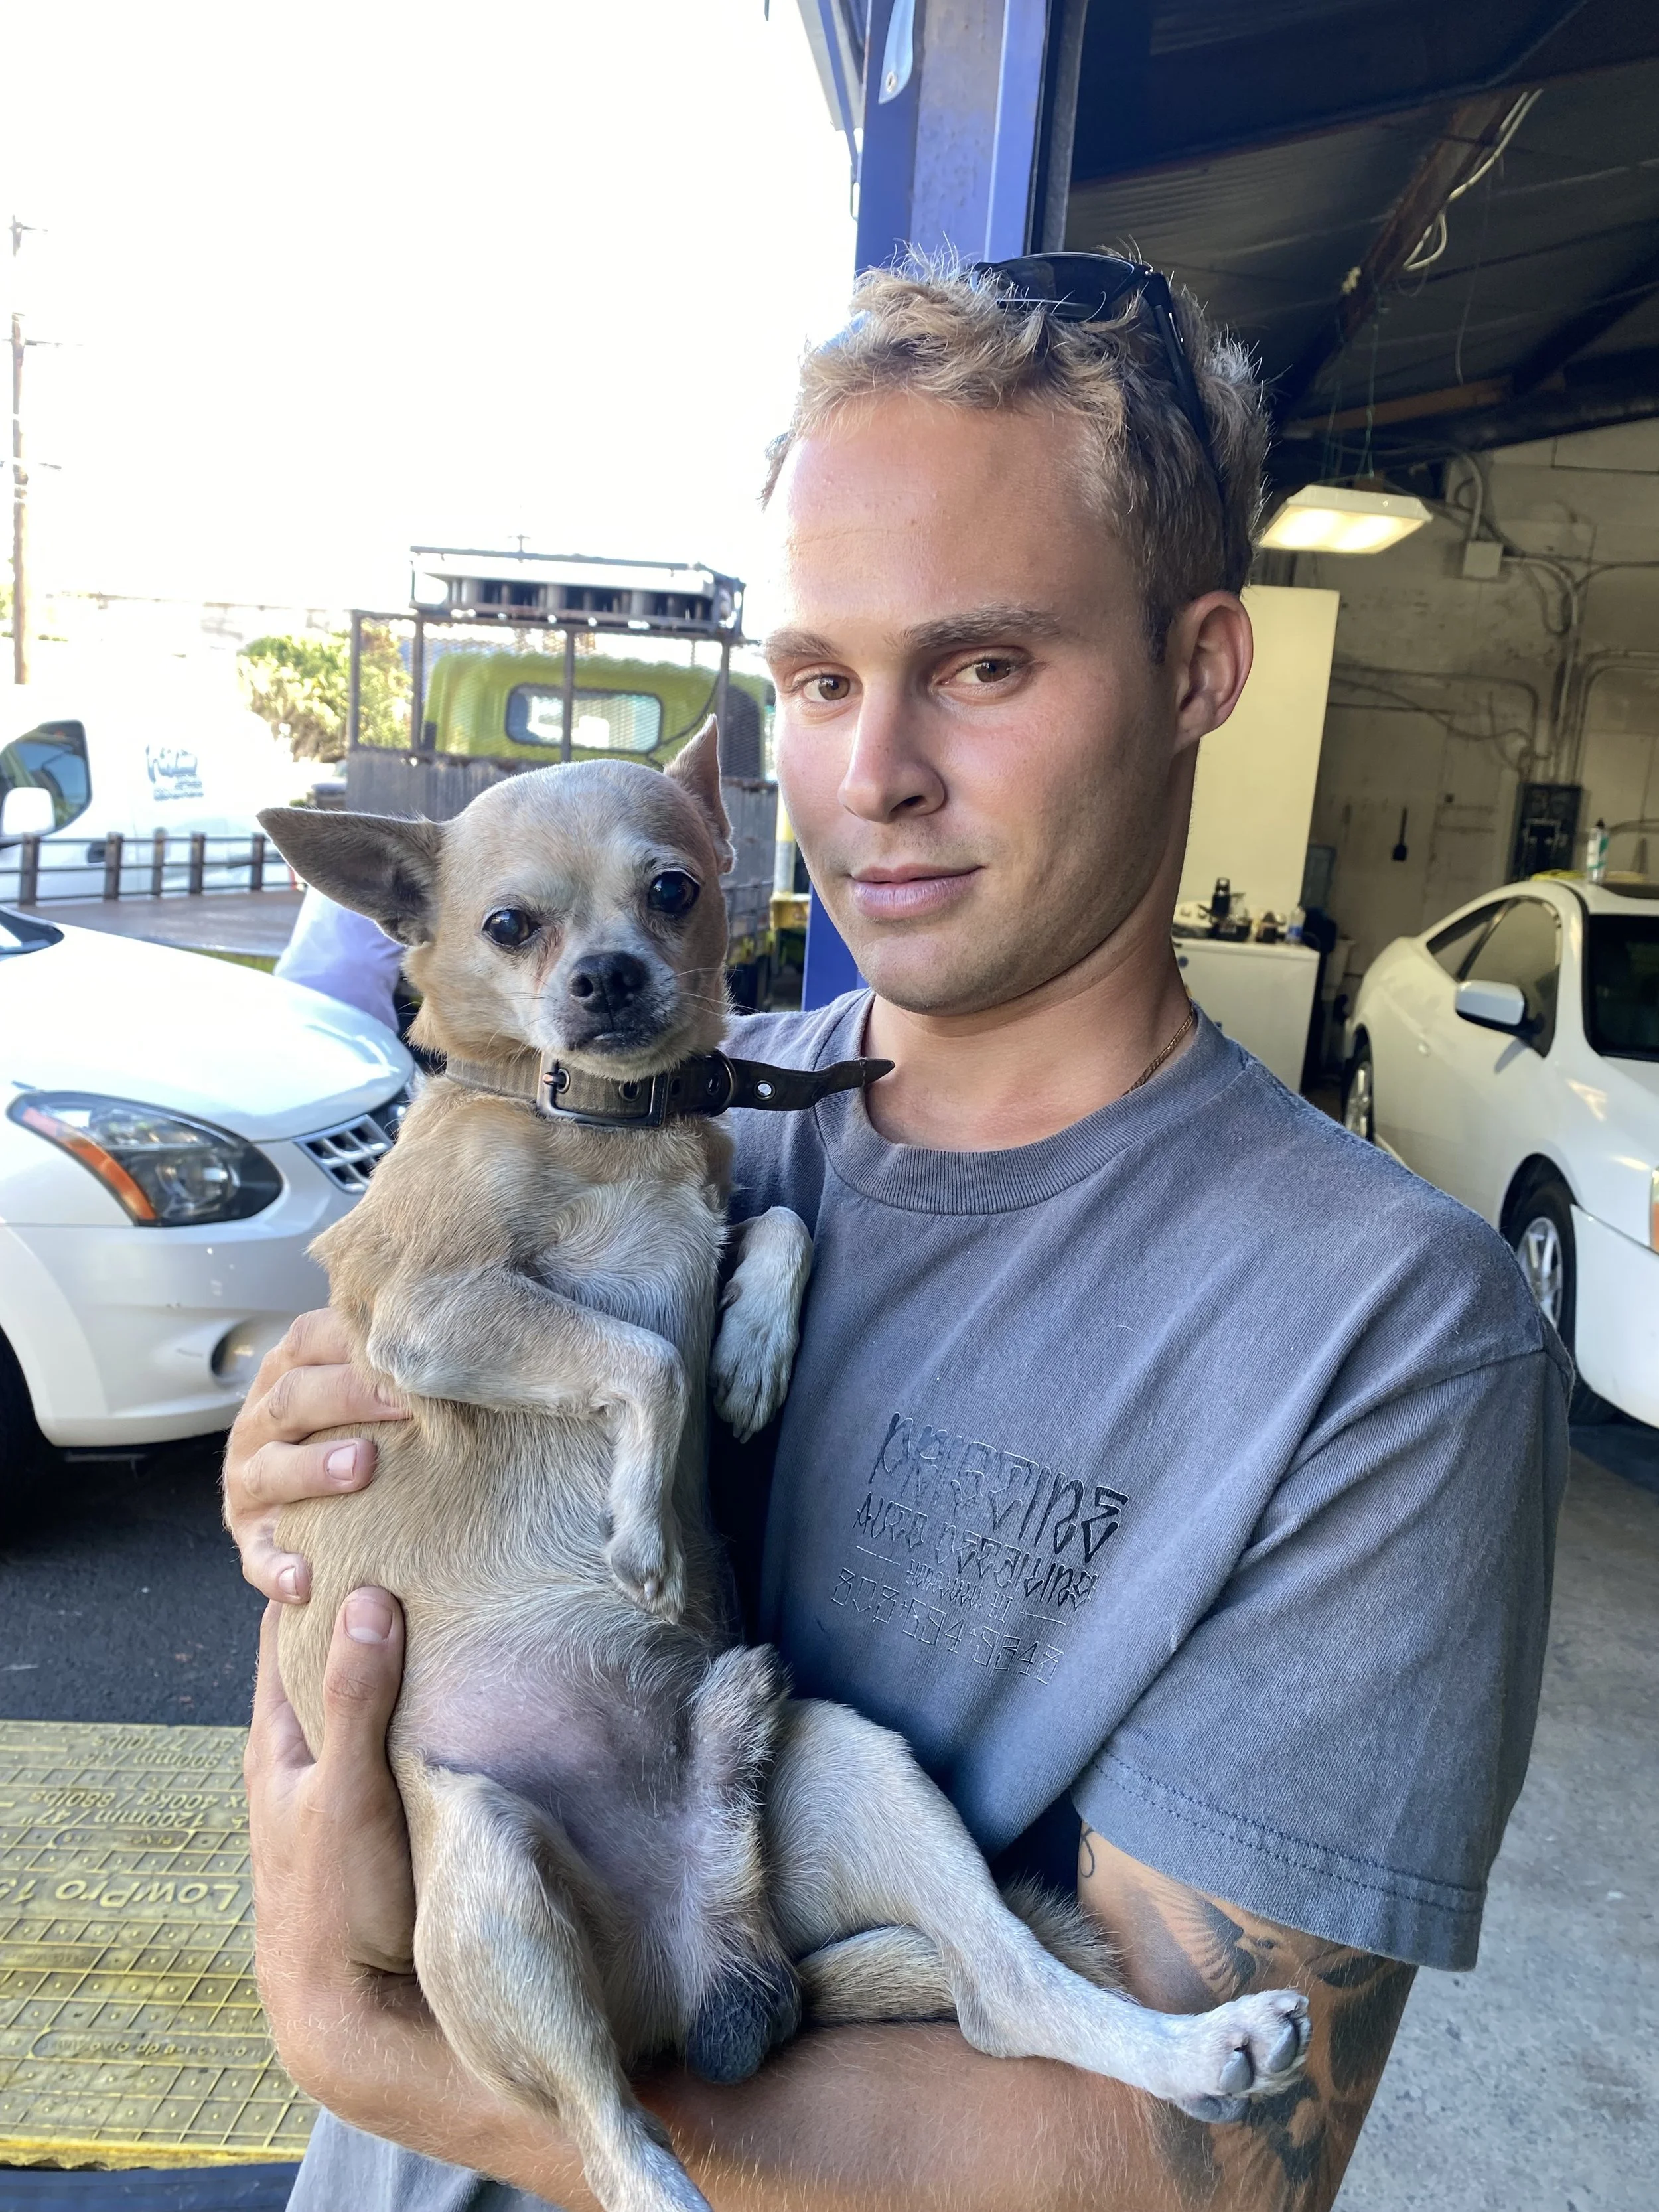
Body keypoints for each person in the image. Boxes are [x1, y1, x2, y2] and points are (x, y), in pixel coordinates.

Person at [224, 255, 1569, 2211]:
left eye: (986, 663)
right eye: (822, 680)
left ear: (1201, 667)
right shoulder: (638, 1097)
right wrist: (287, 1478)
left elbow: (1175, 2169)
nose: (877, 774)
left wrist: (373, 2043)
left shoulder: (1380, 1339)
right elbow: (369, 1463)